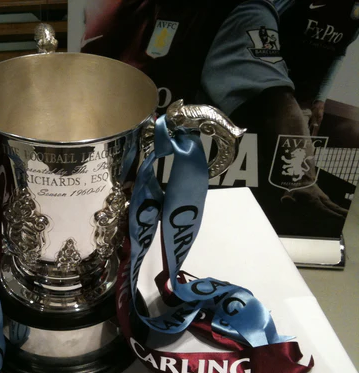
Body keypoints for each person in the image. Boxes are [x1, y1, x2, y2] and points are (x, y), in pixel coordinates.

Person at [80, 0, 348, 236]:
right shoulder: (121, 9)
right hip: (110, 184)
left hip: (178, 196)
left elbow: (274, 98)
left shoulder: (239, 9)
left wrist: (301, 179)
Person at [274, 0, 359, 136]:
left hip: (303, 99)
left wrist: (320, 100)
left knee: (294, 146)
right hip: (268, 88)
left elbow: (338, 55)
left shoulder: (354, 16)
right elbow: (263, 28)